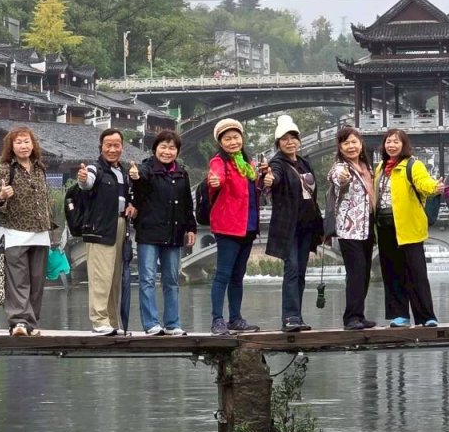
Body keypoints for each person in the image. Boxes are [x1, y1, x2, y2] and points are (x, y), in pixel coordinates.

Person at [373, 128, 444, 328]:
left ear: (404, 144)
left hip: (408, 225)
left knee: (417, 272)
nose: (392, 145)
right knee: (392, 272)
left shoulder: (413, 165)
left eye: (396, 141)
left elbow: (424, 183)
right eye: (388, 141)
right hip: (385, 226)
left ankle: (426, 316)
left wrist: (434, 187)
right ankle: (400, 315)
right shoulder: (380, 168)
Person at [129, 129, 196, 336]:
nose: (167, 151)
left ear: (177, 151)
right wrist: (136, 177)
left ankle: (172, 324)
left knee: (172, 280)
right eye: (163, 147)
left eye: (172, 147)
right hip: (149, 232)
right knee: (148, 279)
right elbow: (140, 187)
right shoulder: (146, 169)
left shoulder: (181, 173)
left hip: (174, 233)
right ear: (155, 148)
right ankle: (151, 324)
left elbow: (187, 203)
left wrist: (191, 227)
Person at [0, 126, 53, 337]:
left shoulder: (40, 168)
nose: (23, 146)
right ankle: (18, 322)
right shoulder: (6, 169)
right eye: (18, 142)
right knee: (18, 280)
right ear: (11, 146)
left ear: (33, 144)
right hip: (14, 232)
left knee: (36, 281)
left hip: (40, 233)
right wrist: (2, 195)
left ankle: (31, 323)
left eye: (26, 141)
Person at [263, 115, 323, 332]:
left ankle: (297, 315)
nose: (290, 142)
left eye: (293, 138)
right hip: (288, 227)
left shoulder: (304, 162)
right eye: (284, 139)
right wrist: (269, 179)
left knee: (301, 272)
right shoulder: (277, 164)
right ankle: (289, 317)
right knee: (292, 269)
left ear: (298, 140)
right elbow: (273, 178)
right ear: (278, 143)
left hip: (307, 226)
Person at [76, 128, 136, 335]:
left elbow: (127, 198)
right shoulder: (95, 168)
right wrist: (83, 179)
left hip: (120, 225)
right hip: (100, 227)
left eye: (116, 145)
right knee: (100, 276)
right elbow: (87, 182)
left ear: (122, 147)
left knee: (114, 278)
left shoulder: (123, 171)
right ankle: (99, 320)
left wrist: (131, 206)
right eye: (108, 145)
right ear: (101, 147)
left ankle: (111, 322)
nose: (112, 149)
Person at [207, 117, 264, 335]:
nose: (232, 142)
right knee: (223, 274)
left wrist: (264, 177)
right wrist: (214, 181)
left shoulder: (248, 164)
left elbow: (255, 188)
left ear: (242, 138)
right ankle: (217, 320)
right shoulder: (219, 162)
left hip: (248, 226)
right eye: (227, 139)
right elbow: (217, 178)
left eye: (236, 137)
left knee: (238, 276)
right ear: (220, 143)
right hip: (228, 226)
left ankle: (236, 318)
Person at [325, 126, 376, 330]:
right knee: (356, 272)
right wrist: (343, 178)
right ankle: (351, 318)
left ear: (361, 144)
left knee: (363, 272)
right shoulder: (340, 167)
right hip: (349, 228)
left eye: (354, 142)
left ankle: (359, 315)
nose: (351, 146)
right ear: (340, 147)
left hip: (368, 226)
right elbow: (337, 178)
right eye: (346, 143)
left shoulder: (367, 166)